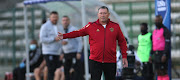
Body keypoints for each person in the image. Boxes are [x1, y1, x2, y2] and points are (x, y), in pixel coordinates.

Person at [57, 6, 128, 80]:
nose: (103, 15)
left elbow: (122, 41)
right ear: (98, 14)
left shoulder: (115, 26)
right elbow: (78, 33)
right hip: (95, 60)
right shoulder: (91, 26)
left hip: (110, 60)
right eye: (101, 13)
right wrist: (64, 36)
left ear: (108, 14)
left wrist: (124, 56)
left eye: (104, 13)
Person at [40, 11, 64, 80]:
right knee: (51, 69)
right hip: (48, 51)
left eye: (56, 17)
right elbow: (42, 39)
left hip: (57, 52)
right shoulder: (45, 26)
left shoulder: (59, 26)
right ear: (50, 18)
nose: (55, 19)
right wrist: (53, 39)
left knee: (57, 70)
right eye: (53, 17)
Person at [60, 16, 83, 80]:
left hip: (74, 52)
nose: (65, 22)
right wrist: (61, 52)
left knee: (76, 71)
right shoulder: (61, 30)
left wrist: (79, 52)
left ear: (69, 21)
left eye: (66, 20)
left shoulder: (73, 29)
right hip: (66, 53)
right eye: (63, 20)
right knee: (66, 72)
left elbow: (80, 41)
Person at [150, 15, 171, 80]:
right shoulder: (154, 32)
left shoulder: (165, 30)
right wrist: (150, 54)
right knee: (158, 72)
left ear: (161, 21)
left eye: (158, 21)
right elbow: (153, 44)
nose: (157, 22)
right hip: (156, 54)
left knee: (163, 72)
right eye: (156, 21)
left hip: (162, 54)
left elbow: (167, 44)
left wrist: (164, 54)